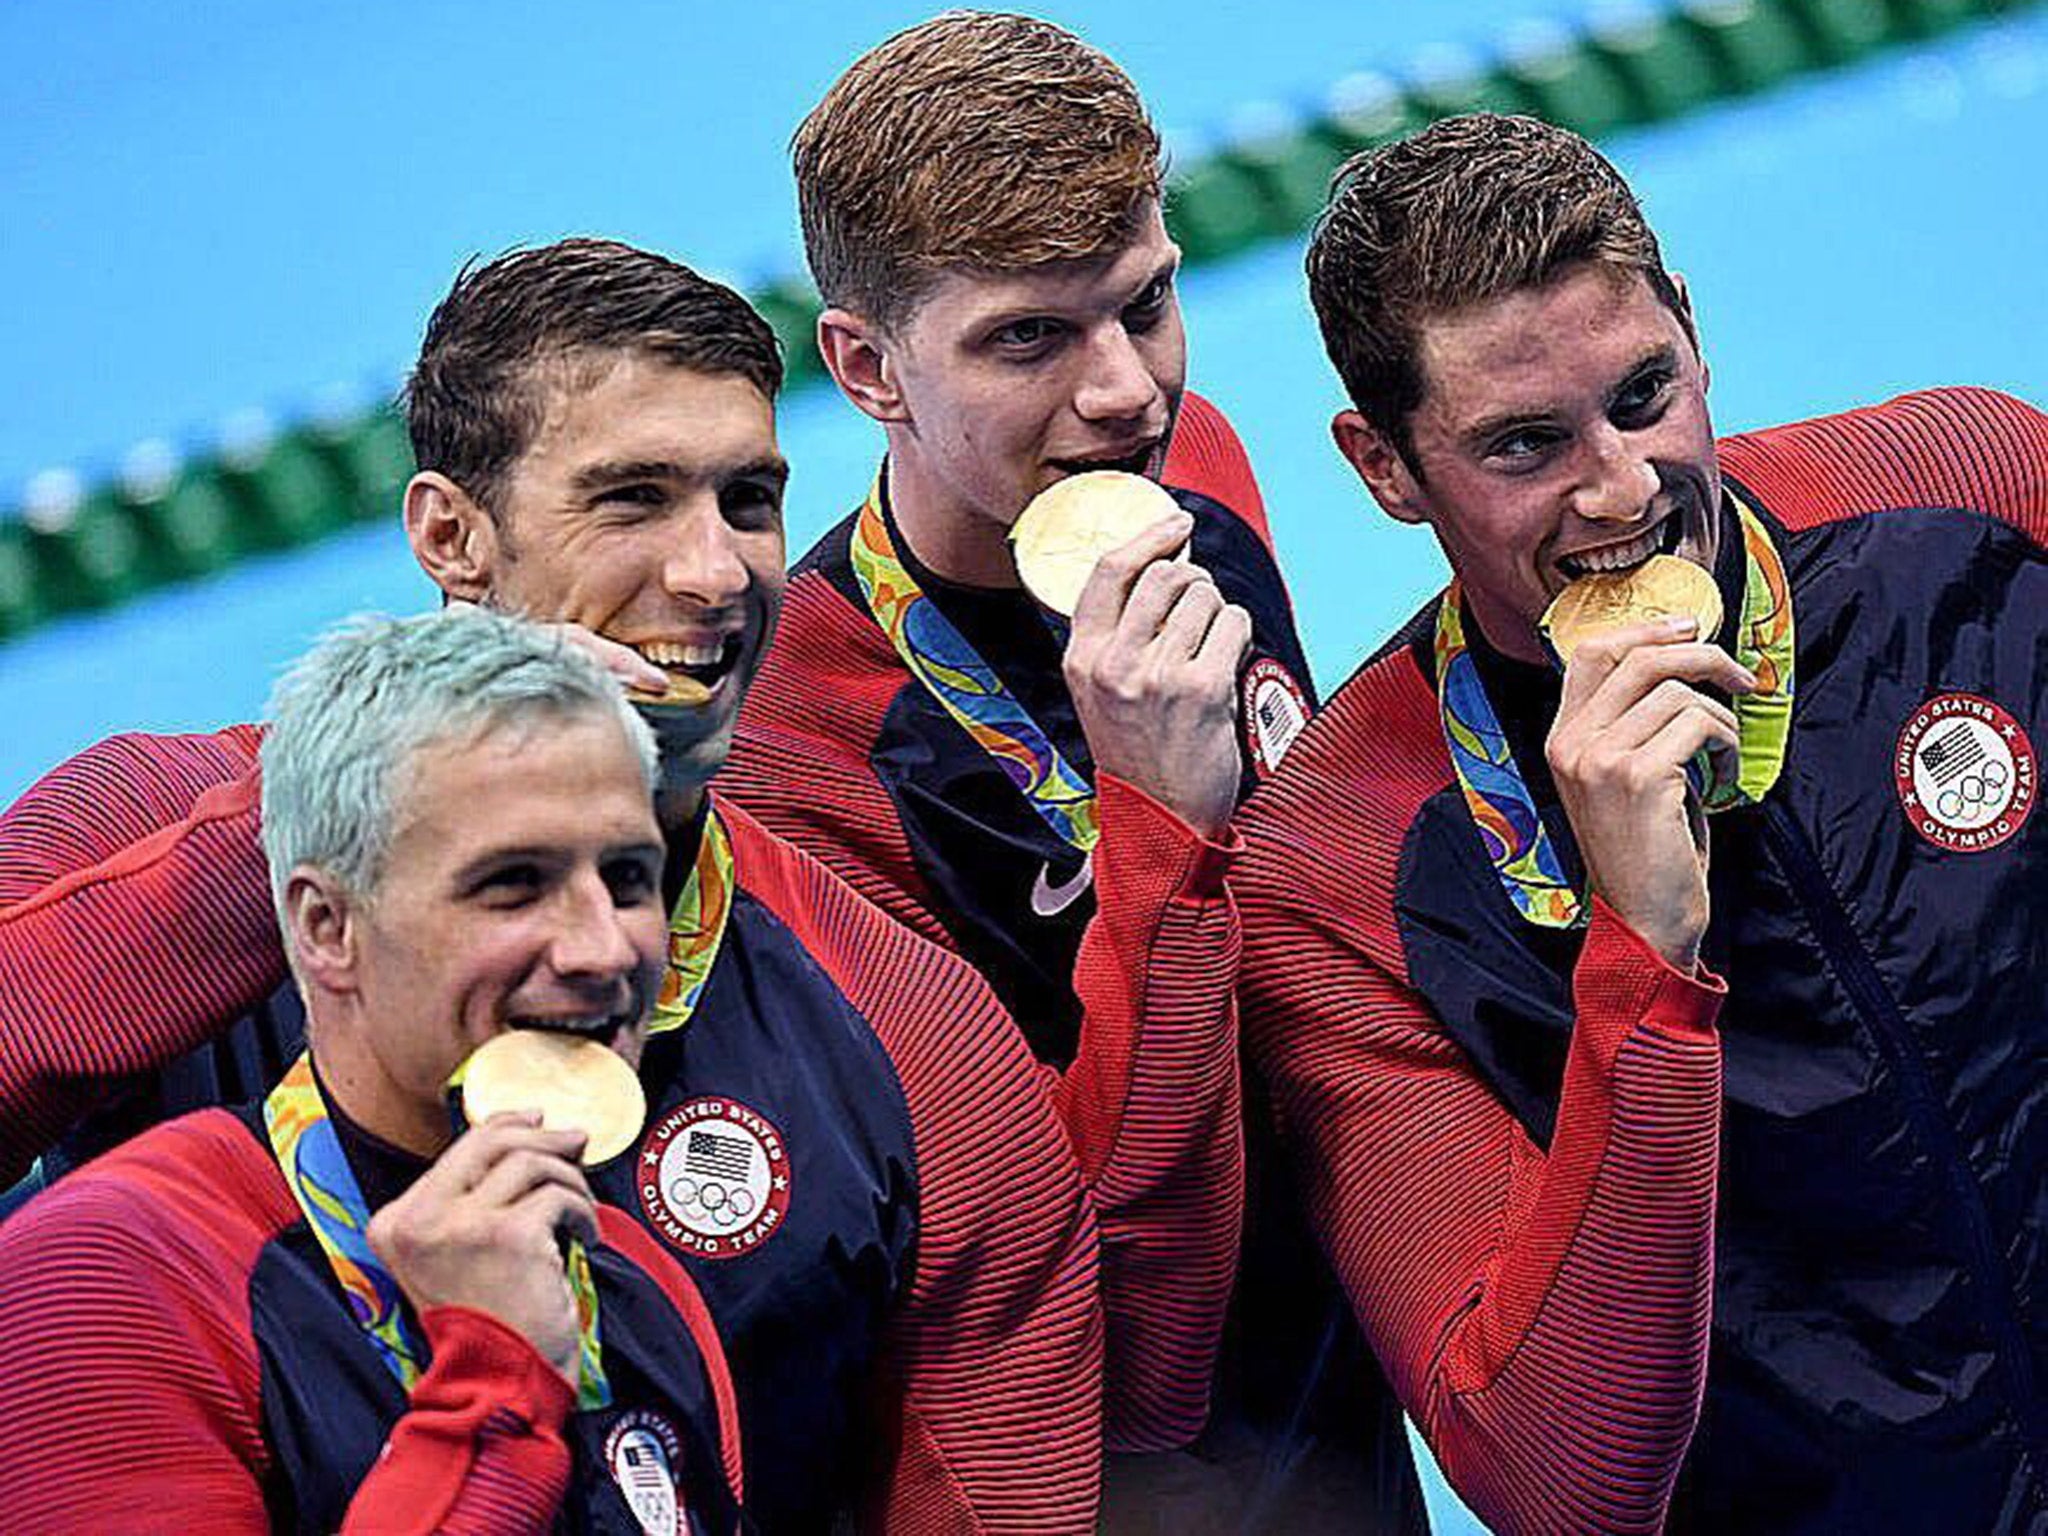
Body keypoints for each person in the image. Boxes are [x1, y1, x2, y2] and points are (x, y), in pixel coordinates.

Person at [0, 240, 1108, 1532]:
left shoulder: (914, 1039)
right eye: (632, 500)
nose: (714, 575)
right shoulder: (154, 836)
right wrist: (363, 815)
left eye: (748, 503)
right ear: (452, 538)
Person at [1235, 110, 2047, 1534]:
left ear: (1691, 328)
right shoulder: (1339, 868)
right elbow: (1562, 1483)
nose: (1621, 489)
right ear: (1384, 467)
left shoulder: (1972, 494)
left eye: (1643, 395)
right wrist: (1645, 960)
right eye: (1525, 444)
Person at [713, 13, 1423, 1531]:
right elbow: (1106, 1327)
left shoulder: (1194, 477)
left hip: (1339, 1402)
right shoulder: (799, 763)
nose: (1125, 393)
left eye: (1147, 303)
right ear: (867, 369)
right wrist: (1154, 825)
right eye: (1030, 337)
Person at [0, 606, 745, 1533]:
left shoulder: (636, 1279)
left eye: (628, 879)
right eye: (513, 883)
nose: (603, 949)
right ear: (326, 927)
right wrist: (492, 1390)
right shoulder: (106, 1279)